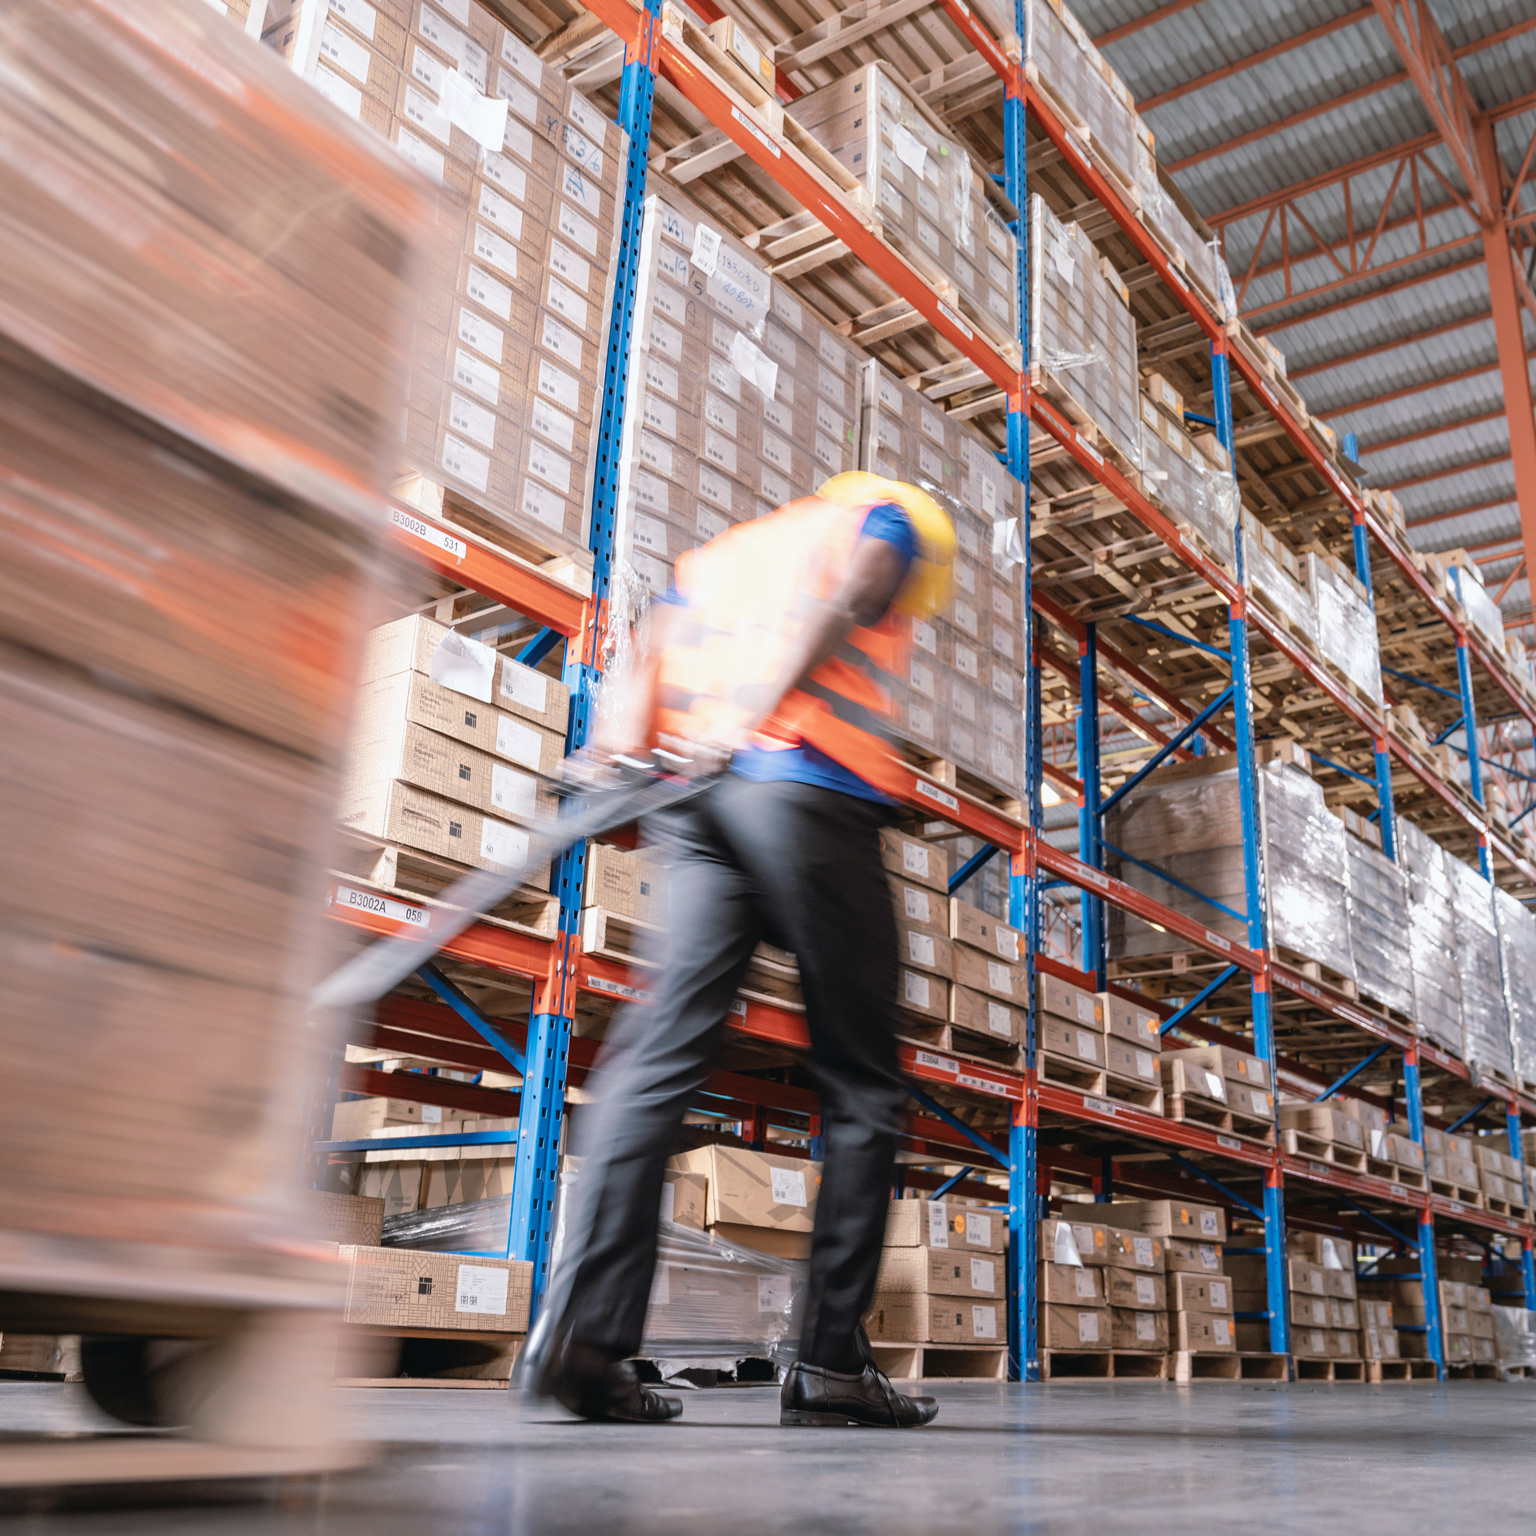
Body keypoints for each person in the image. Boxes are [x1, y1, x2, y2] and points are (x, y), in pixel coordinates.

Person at [532, 472, 956, 1428]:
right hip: (801, 786)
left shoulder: (724, 558)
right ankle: (832, 1368)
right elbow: (852, 595)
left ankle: (591, 1345)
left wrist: (610, 754)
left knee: (655, 1063)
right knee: (862, 1083)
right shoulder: (892, 520)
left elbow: (649, 649)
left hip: (696, 804)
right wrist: (750, 713)